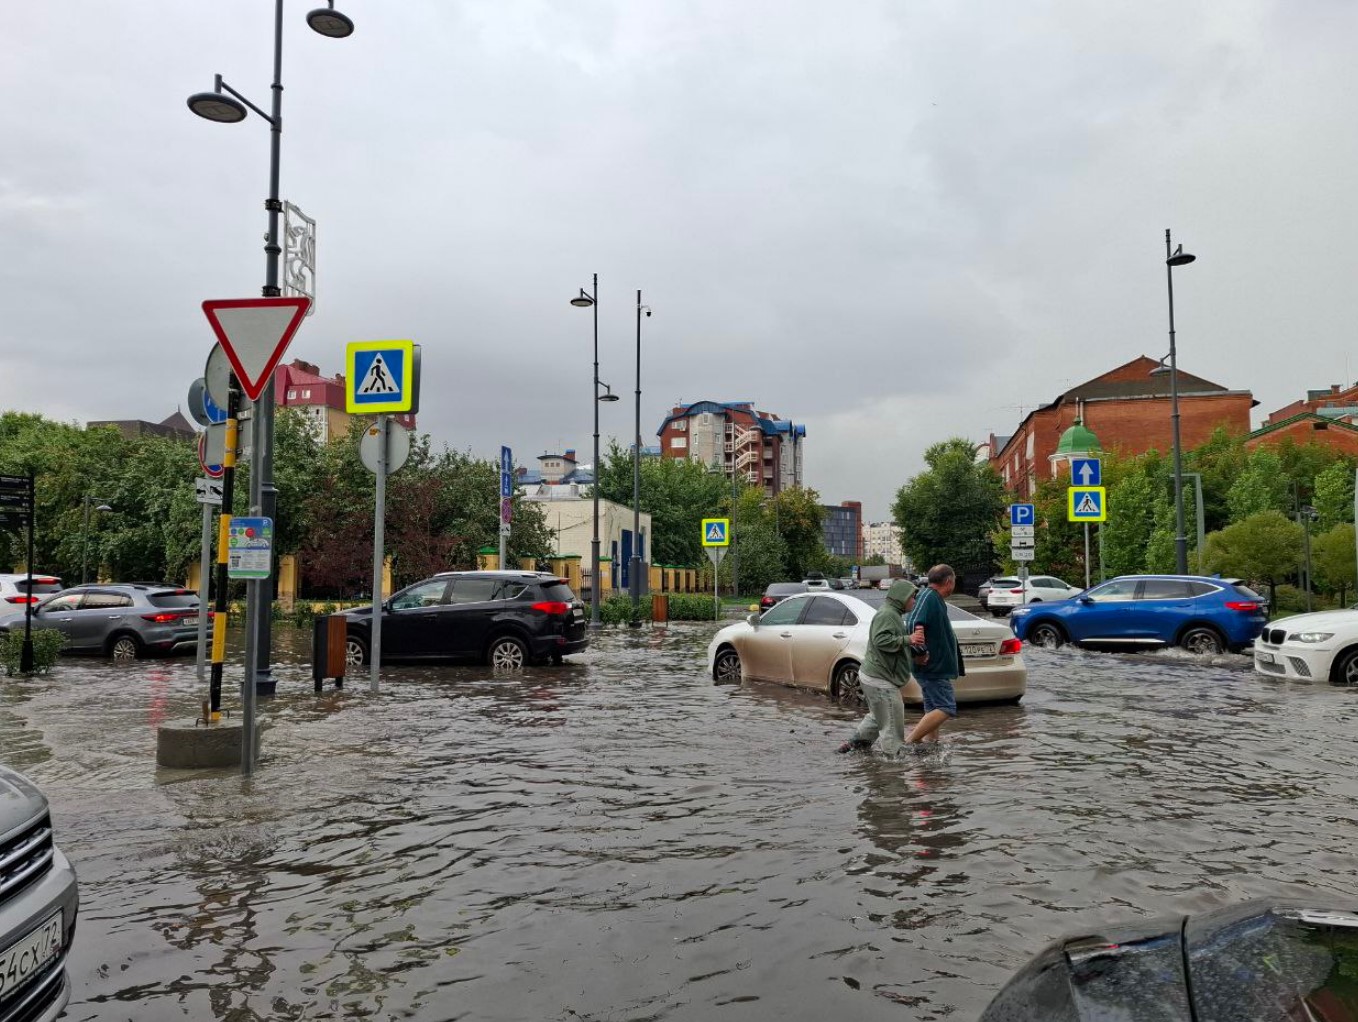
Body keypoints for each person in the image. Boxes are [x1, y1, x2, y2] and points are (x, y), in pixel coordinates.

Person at [836, 578, 927, 755]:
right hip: (880, 679)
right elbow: (881, 640)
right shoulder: (888, 614)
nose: (914, 601)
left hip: (875, 676)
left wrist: (914, 657)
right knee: (892, 721)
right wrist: (910, 639)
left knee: (879, 717)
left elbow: (893, 647)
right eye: (912, 597)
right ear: (901, 597)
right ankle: (892, 767)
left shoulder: (893, 613)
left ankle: (853, 746)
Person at [905, 564, 962, 747]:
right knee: (946, 708)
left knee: (933, 709)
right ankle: (909, 742)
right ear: (948, 581)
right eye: (954, 581)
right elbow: (912, 623)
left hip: (935, 667)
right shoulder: (927, 596)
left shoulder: (933, 598)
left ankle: (930, 746)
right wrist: (919, 653)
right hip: (932, 667)